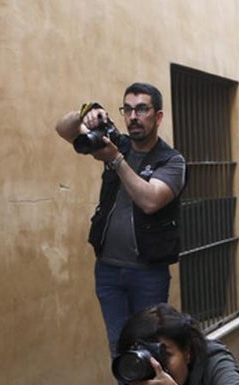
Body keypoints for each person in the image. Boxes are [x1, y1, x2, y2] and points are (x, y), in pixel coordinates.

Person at [55, 83, 186, 359]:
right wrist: (85, 113)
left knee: (149, 350)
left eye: (141, 109)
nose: (133, 117)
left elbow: (150, 200)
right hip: (108, 271)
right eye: (127, 109)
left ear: (158, 116)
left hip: (148, 273)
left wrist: (115, 159)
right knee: (119, 348)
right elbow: (63, 129)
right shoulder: (117, 142)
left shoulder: (171, 161)